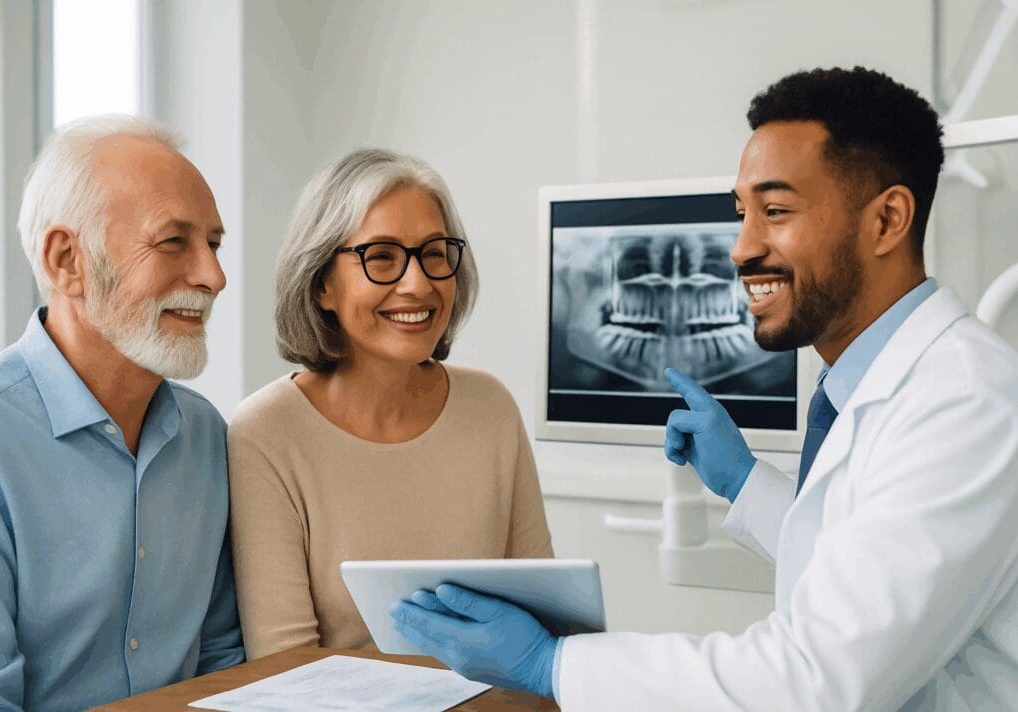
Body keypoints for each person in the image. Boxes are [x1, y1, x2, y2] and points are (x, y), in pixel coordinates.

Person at [391, 67, 1018, 711]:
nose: (741, 248)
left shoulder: (967, 401)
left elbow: (814, 680)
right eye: (741, 213)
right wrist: (746, 483)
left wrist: (555, 665)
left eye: (775, 212)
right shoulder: (870, 385)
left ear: (887, 219)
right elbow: (861, 568)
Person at [0, 115, 245, 710]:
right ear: (67, 261)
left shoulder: (206, 434)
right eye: (172, 242)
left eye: (212, 244)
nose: (214, 277)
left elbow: (222, 663)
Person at [227, 148, 553, 659]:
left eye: (434, 253)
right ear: (321, 286)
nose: (418, 284)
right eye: (381, 257)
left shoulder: (491, 408)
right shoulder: (265, 433)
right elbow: (284, 666)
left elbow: (545, 620)